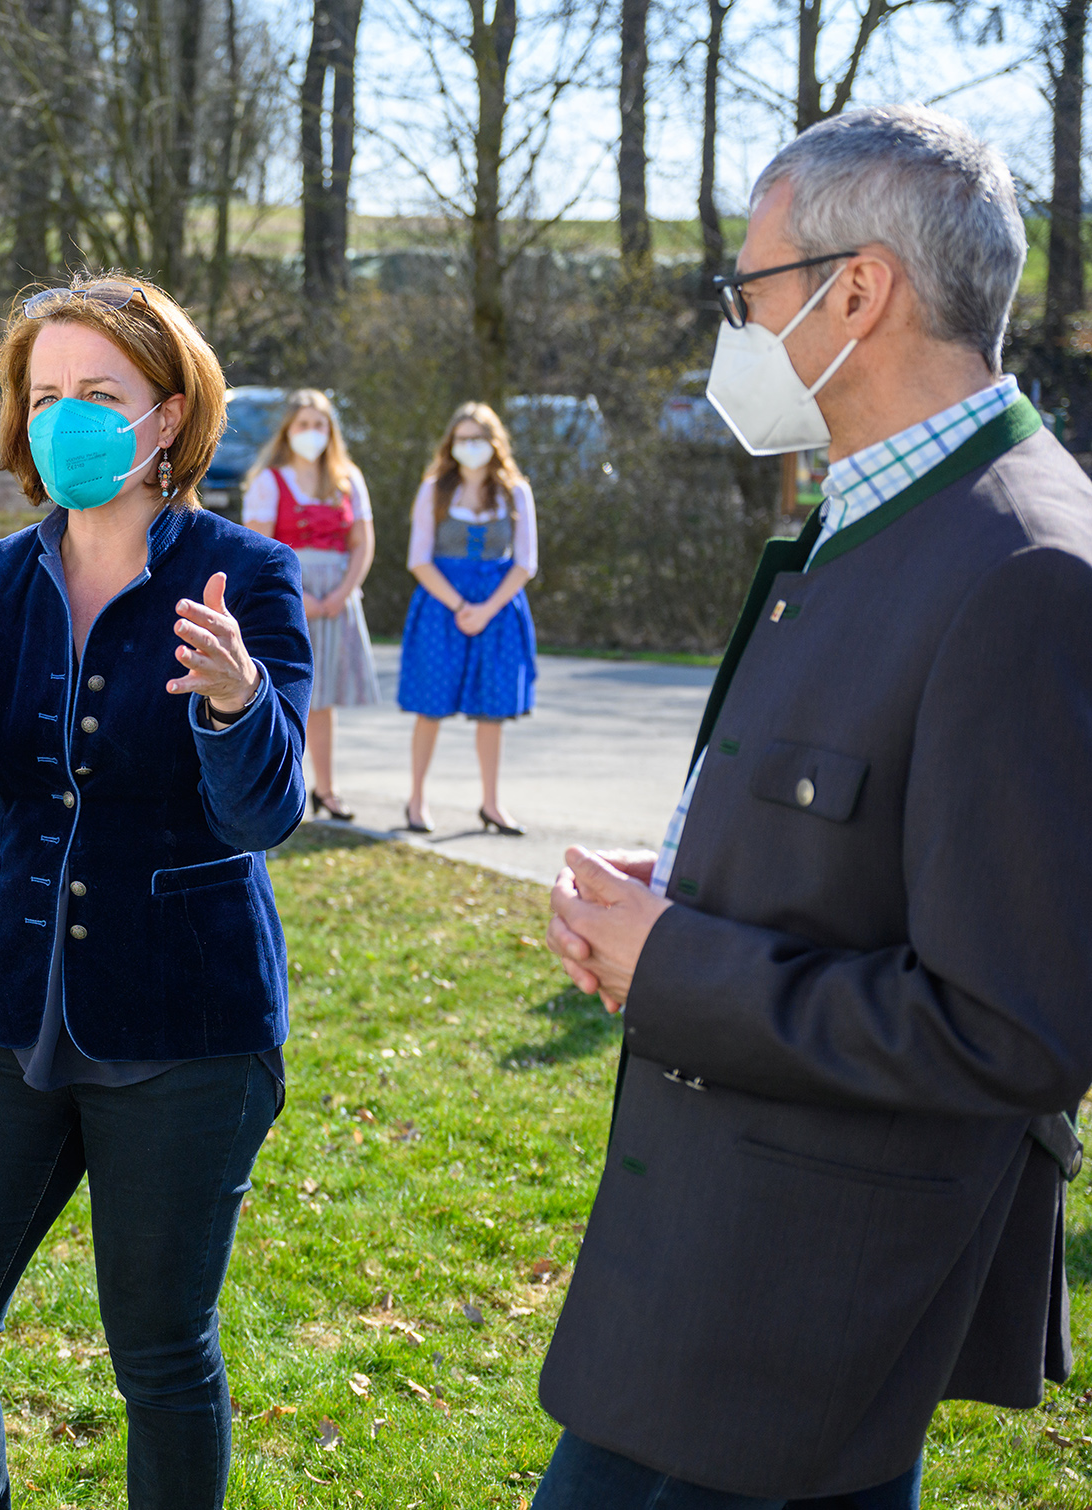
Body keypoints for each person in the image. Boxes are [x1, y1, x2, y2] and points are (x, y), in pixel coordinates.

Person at [539, 105, 1092, 1509]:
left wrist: (674, 964)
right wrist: (679, 882)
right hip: (720, 1270)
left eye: (749, 289)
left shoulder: (1025, 564)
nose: (734, 326)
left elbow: (1011, 1027)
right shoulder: (875, 508)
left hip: (808, 1309)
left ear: (857, 288)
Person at [0, 273, 311, 1510]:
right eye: (43, 393)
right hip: (5, 1014)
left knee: (159, 1355)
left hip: (187, 1028)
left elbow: (265, 812)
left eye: (96, 394)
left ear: (165, 416)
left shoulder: (248, 578)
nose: (64, 417)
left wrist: (234, 702)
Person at [397, 401, 538, 835]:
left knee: (492, 711)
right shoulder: (434, 489)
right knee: (430, 706)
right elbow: (419, 560)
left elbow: (525, 562)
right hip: (442, 608)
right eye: (463, 438)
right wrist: (460, 607)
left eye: (478, 438)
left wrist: (487, 609)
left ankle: (492, 804)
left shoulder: (516, 492)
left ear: (494, 443)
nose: (470, 446)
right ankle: (416, 800)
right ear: (451, 443)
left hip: (497, 610)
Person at [242, 387, 380, 820]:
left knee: (325, 700)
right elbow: (258, 546)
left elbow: (363, 543)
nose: (312, 433)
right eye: (303, 424)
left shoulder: (347, 479)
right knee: (286, 692)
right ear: (288, 430)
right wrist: (297, 596)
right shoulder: (269, 481)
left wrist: (343, 593)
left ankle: (327, 788)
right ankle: (284, 791)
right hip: (288, 593)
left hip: (338, 596)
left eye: (319, 425)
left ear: (331, 431)